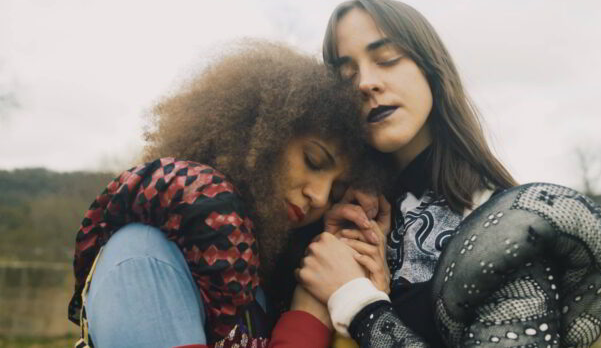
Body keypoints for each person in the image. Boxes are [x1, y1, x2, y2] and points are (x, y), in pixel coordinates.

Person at [296, 0, 601, 347]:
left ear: (431, 68)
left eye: (386, 59)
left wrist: (357, 302)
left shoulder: (504, 228)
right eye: (346, 76)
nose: (364, 83)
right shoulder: (326, 214)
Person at [67, 41, 386, 348]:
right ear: (254, 133)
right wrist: (308, 311)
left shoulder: (254, 277)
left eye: (336, 192)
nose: (319, 196)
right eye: (313, 161)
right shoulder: (146, 257)